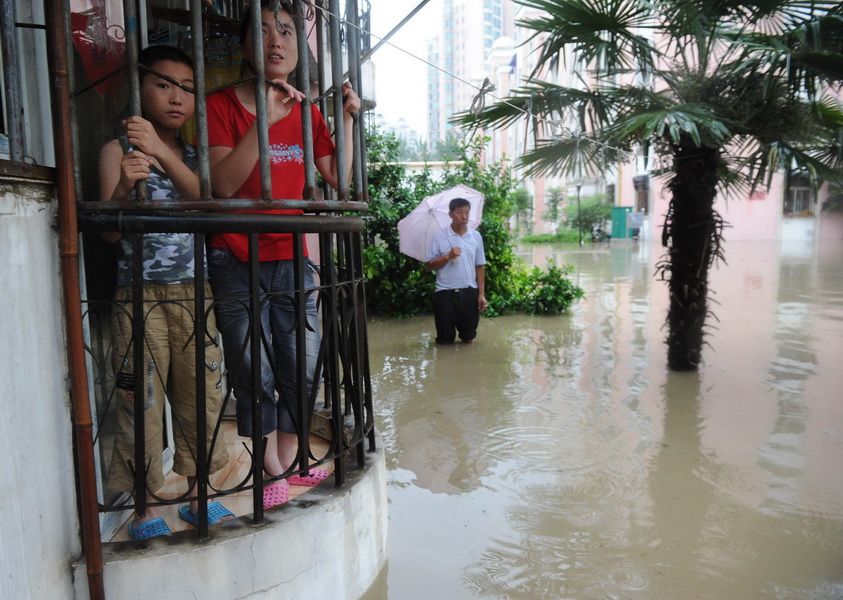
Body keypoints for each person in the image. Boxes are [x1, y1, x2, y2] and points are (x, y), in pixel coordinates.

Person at [206, 1, 359, 508]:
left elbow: (339, 177)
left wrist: (350, 122)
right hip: (235, 255)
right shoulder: (221, 105)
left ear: (297, 47)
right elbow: (224, 185)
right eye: (265, 30)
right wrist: (266, 120)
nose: (277, 40)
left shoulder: (308, 111)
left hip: (292, 255)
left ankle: (292, 459)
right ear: (246, 45)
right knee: (254, 367)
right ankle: (267, 466)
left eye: (287, 31)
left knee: (300, 362)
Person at [99, 45, 232, 539]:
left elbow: (208, 205)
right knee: (142, 401)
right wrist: (119, 192)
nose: (177, 97)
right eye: (164, 85)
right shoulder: (117, 150)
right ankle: (144, 509)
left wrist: (160, 150)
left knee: (201, 392)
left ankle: (198, 497)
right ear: (140, 90)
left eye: (188, 88)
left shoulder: (195, 155)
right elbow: (110, 233)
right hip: (139, 297)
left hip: (195, 293)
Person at [425, 197, 488, 344]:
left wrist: (481, 294)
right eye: (460, 212)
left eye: (467, 212)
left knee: (469, 338)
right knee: (444, 341)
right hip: (445, 294)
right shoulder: (439, 236)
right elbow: (428, 265)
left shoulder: (476, 236)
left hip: (469, 293)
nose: (464, 216)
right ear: (450, 214)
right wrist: (448, 256)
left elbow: (480, 266)